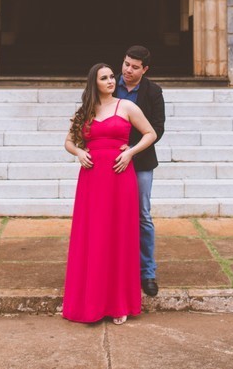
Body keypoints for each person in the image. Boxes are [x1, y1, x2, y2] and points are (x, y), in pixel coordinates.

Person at [62, 63, 157, 324]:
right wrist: (79, 152)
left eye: (111, 77)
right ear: (94, 82)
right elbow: (69, 141)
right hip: (92, 180)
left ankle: (120, 304)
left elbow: (150, 133)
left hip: (119, 177)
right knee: (94, 236)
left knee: (119, 236)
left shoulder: (126, 106)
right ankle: (90, 302)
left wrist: (130, 152)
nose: (110, 81)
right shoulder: (85, 111)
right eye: (104, 78)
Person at [115, 45, 165, 297]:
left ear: (145, 69)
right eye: (126, 64)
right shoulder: (110, 83)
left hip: (141, 162)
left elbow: (158, 128)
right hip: (110, 162)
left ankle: (147, 272)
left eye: (135, 67)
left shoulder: (153, 91)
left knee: (142, 216)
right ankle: (115, 270)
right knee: (112, 216)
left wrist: (132, 149)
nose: (128, 70)